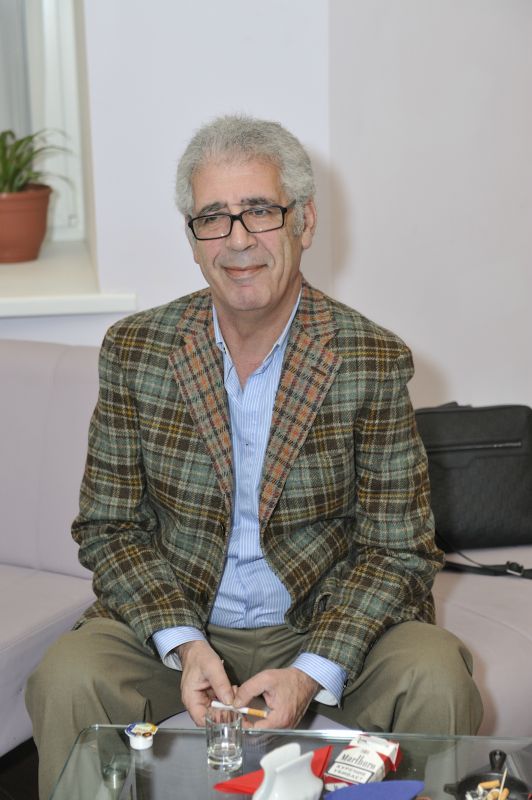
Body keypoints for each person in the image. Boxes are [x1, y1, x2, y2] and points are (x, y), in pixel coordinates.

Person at [26, 114, 482, 798]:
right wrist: (185, 644)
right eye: (213, 217)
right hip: (181, 612)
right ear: (192, 239)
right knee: (66, 676)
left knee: (437, 676)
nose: (238, 240)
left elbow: (399, 550)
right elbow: (108, 526)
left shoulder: (370, 357)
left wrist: (311, 670)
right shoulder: (136, 349)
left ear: (305, 222)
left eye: (260, 211)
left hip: (325, 618)